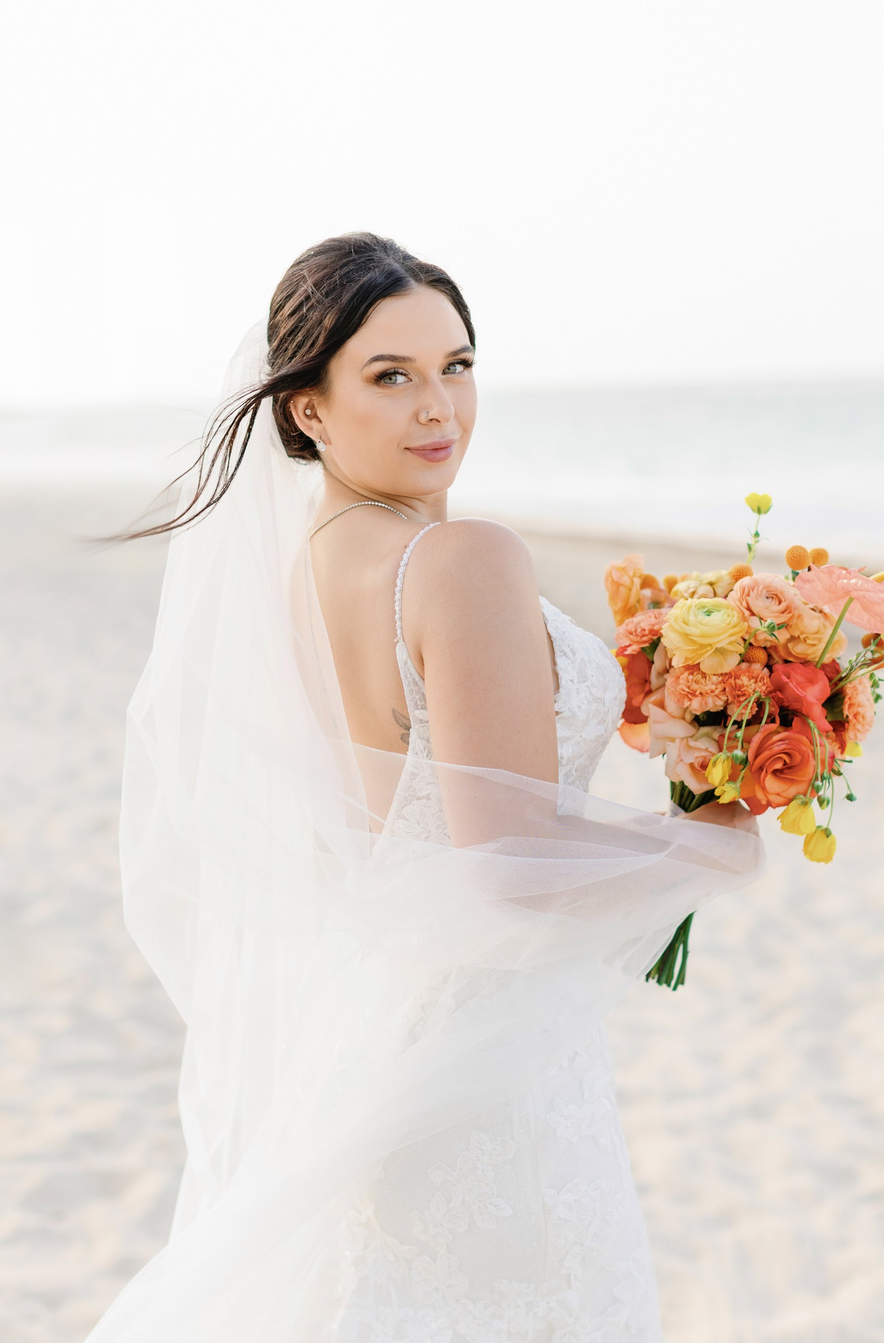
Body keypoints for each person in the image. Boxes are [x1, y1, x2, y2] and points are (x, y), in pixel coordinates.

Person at [86, 232, 761, 1342]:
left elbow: (403, 823)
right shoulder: (459, 559)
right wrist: (709, 848)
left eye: (456, 364)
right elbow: (499, 861)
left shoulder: (306, 569)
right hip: (485, 1066)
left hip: (382, 1036)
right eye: (389, 376)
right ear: (307, 408)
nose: (437, 405)